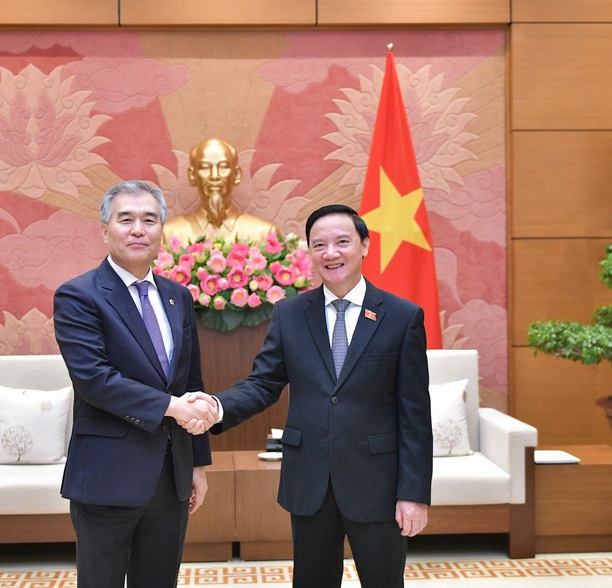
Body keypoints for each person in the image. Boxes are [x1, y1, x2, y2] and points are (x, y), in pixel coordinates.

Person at [196, 204, 433, 588]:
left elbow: (415, 414)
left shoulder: (401, 316)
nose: (331, 253)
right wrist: (217, 406)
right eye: (319, 244)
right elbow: (264, 383)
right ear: (309, 252)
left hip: (377, 482)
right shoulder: (290, 314)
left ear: (365, 246)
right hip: (310, 481)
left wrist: (414, 493)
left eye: (342, 242)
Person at [53, 180, 219, 588]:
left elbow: (190, 381)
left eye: (150, 219)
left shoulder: (178, 296)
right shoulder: (79, 296)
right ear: (104, 229)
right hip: (108, 475)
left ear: (163, 229)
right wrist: (175, 407)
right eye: (125, 219)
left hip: (171, 476)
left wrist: (197, 464)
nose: (138, 229)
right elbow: (96, 380)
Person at [162, 138, 279, 243]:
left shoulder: (264, 234)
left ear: (236, 175)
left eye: (223, 167)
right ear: (192, 176)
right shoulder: (169, 235)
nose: (214, 176)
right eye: (205, 168)